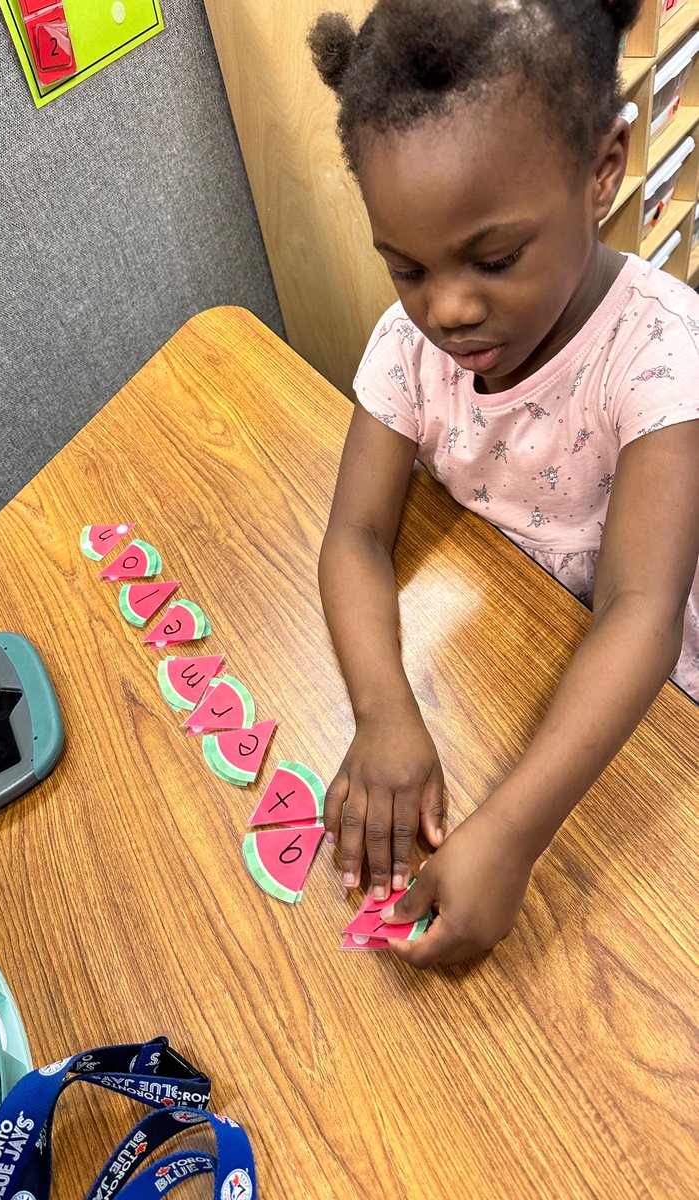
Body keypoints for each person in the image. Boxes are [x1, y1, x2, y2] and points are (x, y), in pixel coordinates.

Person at [308, 0, 699, 966]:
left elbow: (642, 611)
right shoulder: (409, 348)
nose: (446, 309)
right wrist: (383, 709)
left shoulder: (659, 355)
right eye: (406, 269)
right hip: (512, 645)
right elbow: (354, 534)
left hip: (655, 696)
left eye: (494, 259)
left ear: (602, 171)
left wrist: (515, 834)